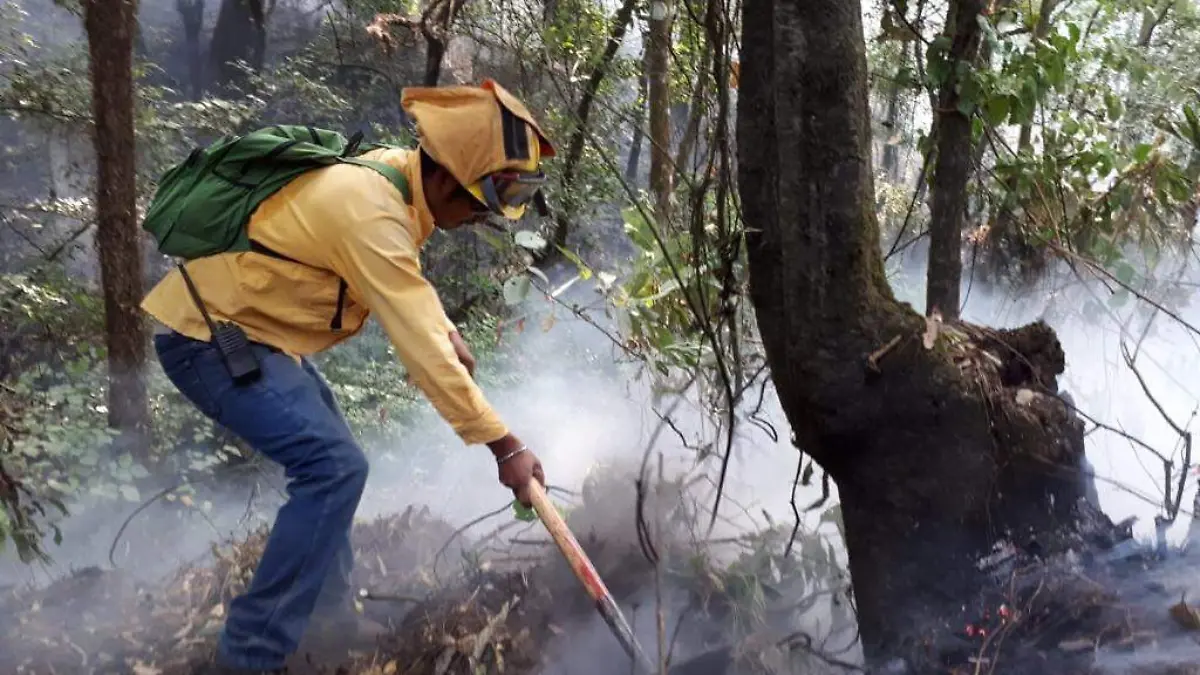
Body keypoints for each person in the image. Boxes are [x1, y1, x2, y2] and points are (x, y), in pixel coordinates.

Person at [141, 80, 552, 675]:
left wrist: (443, 325)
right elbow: (416, 339)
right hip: (208, 341)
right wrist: (504, 446)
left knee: (335, 464)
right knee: (333, 469)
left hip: (259, 337)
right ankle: (249, 657)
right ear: (441, 179)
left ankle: (329, 621)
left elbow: (403, 281)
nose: (483, 215)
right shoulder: (369, 208)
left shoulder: (392, 175)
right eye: (480, 200)